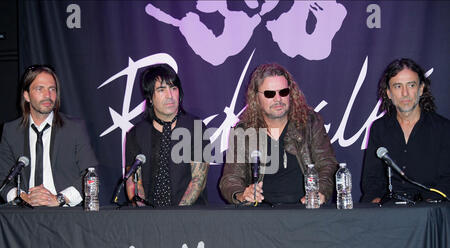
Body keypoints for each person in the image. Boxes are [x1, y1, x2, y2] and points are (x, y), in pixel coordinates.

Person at [219, 63, 338, 205]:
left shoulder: (310, 122)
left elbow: (327, 165)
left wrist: (320, 192)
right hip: (261, 215)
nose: (278, 99)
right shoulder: (243, 131)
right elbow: (231, 179)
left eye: (283, 92)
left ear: (291, 93)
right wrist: (242, 195)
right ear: (256, 97)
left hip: (306, 211)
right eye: (270, 94)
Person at [0, 65, 98, 207]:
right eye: (40, 89)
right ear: (26, 95)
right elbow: (3, 177)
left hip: (64, 214)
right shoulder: (11, 131)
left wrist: (58, 199)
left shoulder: (74, 128)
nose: (48, 95)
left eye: (52, 89)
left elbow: (91, 175)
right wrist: (21, 198)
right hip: (25, 215)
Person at [361, 58, 450, 203]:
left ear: (421, 89)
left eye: (411, 85)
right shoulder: (379, 128)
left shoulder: (443, 129)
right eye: (397, 86)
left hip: (429, 211)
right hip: (388, 211)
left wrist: (427, 206)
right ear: (388, 93)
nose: (405, 93)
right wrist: (376, 206)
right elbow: (371, 181)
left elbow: (447, 180)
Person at [125, 63, 209, 207]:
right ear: (150, 98)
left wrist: (175, 217)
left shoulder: (195, 127)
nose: (170, 95)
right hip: (149, 219)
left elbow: (198, 180)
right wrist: (144, 216)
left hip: (188, 216)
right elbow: (133, 182)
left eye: (173, 88)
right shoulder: (136, 134)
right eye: (161, 90)